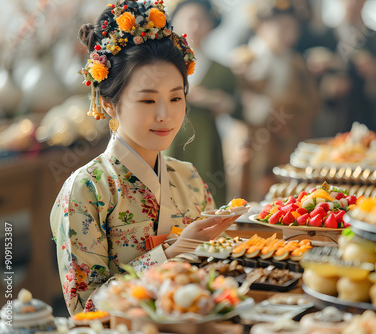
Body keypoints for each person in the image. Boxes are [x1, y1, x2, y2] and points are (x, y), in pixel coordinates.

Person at [50, 0, 239, 316]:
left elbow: (211, 282)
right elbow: (86, 308)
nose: (166, 115)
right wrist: (175, 252)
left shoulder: (189, 177)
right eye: (148, 99)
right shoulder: (87, 190)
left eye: (176, 97)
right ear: (110, 104)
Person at [232, 0, 320, 200]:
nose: (283, 32)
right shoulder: (245, 60)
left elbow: (311, 101)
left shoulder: (297, 63)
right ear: (260, 26)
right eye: (277, 26)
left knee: (285, 194)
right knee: (250, 193)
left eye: (289, 27)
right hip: (254, 140)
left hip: (288, 138)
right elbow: (234, 102)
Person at [165, 0, 242, 205]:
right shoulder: (162, 64)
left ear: (210, 24)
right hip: (167, 136)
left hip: (206, 140)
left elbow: (240, 109)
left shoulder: (222, 70)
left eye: (201, 20)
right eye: (189, 19)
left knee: (205, 197)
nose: (195, 26)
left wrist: (217, 100)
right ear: (175, 22)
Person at [306, 0, 376, 138]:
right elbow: (307, 81)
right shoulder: (323, 37)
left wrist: (374, 71)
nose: (353, 3)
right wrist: (326, 86)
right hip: (333, 124)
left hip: (368, 120)